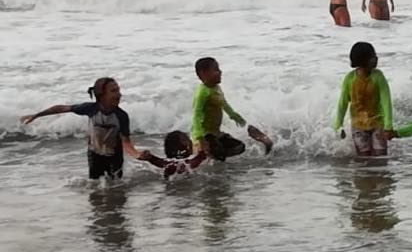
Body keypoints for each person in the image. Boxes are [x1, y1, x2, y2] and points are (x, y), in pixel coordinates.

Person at [20, 77, 165, 179]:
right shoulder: (90, 109)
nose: (119, 94)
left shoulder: (121, 116)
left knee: (116, 187)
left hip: (114, 156)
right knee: (95, 187)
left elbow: (126, 142)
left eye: (118, 90)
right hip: (94, 154)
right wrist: (37, 115)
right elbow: (62, 108)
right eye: (114, 91)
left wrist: (138, 155)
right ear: (101, 95)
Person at [192, 57, 273, 160]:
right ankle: (206, 154)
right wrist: (200, 139)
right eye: (216, 70)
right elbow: (196, 116)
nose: (220, 72)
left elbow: (225, 106)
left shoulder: (216, 88)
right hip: (204, 135)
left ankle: (214, 156)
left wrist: (241, 121)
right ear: (203, 73)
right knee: (218, 152)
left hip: (216, 133)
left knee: (240, 147)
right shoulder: (202, 93)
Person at [333, 41, 395, 156]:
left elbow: (386, 101)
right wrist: (338, 125)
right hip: (358, 126)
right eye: (372, 56)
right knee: (364, 158)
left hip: (377, 124)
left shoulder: (378, 77)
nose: (376, 58)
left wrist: (388, 126)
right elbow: (343, 103)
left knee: (381, 155)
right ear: (362, 60)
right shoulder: (349, 79)